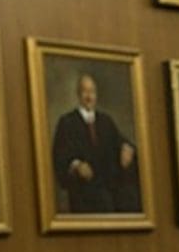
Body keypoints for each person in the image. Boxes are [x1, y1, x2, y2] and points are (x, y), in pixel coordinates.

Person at [52, 74, 140, 213]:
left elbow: (120, 141)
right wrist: (76, 165)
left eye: (92, 91)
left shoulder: (105, 121)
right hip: (82, 194)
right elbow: (60, 156)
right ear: (78, 94)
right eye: (85, 91)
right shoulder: (67, 122)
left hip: (109, 191)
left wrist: (127, 148)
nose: (89, 96)